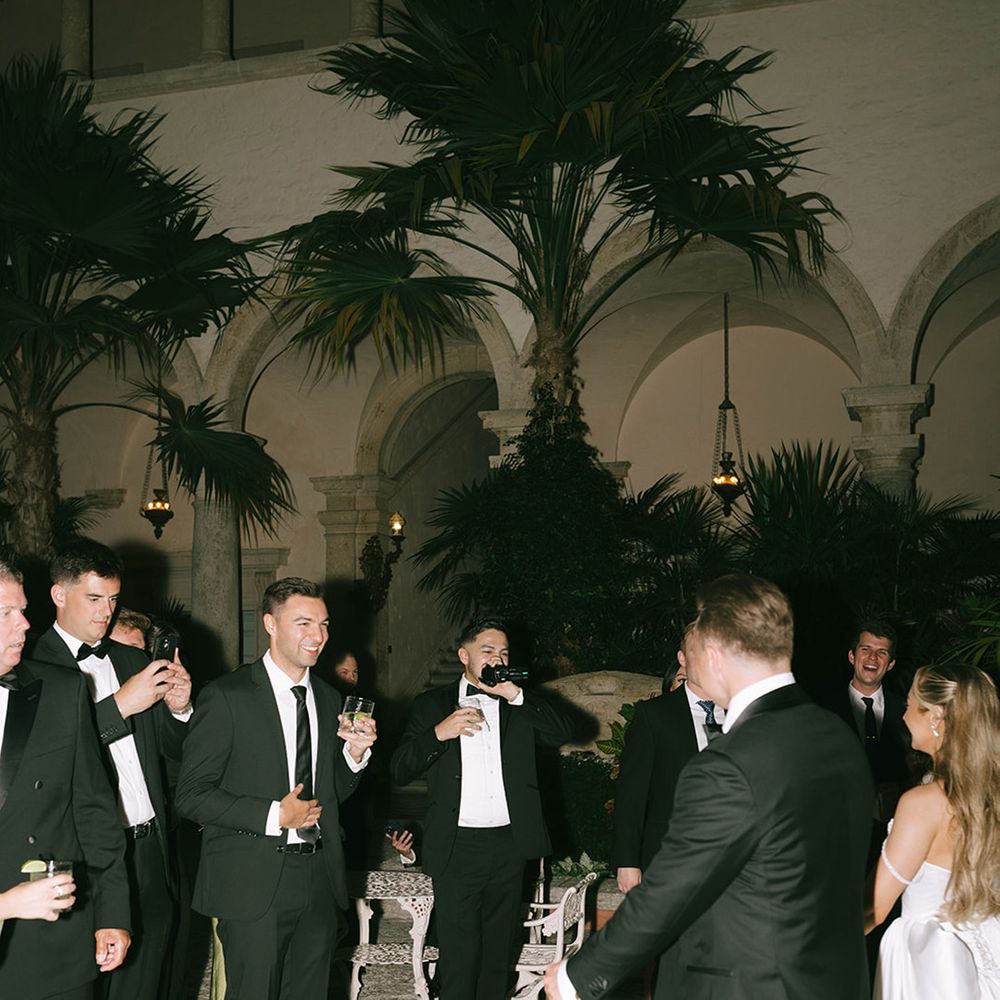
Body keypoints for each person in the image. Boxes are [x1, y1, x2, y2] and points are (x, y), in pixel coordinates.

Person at [544, 574, 873, 1000]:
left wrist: (578, 976)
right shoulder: (836, 734)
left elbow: (670, 890)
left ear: (714, 655)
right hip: (832, 981)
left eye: (692, 645)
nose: (684, 661)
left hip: (747, 985)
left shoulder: (730, 762)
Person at [175, 577, 376, 1000]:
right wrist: (274, 816)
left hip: (319, 879)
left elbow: (331, 792)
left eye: (323, 625)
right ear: (270, 623)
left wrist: (354, 756)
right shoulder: (227, 695)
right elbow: (191, 795)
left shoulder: (326, 697)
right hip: (252, 883)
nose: (317, 636)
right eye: (303, 623)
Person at [29, 539, 192, 1000]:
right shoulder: (29, 666)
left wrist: (180, 710)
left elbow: (172, 754)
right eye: (94, 598)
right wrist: (120, 706)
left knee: (144, 985)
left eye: (114, 599)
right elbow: (50, 758)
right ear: (60, 595)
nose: (107, 612)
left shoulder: (130, 660)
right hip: (86, 861)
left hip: (149, 850)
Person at [392, 616, 574, 1000]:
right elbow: (399, 768)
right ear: (464, 655)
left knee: (498, 957)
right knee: (460, 959)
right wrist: (440, 733)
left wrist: (516, 695)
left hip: (509, 844)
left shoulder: (519, 702)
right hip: (457, 846)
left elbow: (565, 731)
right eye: (487, 650)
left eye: (503, 652)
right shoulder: (432, 705)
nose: (497, 658)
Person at [0, 559, 132, 999]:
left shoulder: (60, 690)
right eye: (6, 613)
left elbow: (92, 810)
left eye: (22, 610)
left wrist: (112, 913)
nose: (24, 624)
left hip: (50, 941)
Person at [866, 663, 1000, 999]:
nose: (904, 712)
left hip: (933, 969)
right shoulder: (991, 798)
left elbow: (874, 908)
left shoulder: (923, 804)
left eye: (910, 703)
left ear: (936, 716)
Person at [614, 636, 724, 896]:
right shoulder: (654, 716)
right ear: (682, 658)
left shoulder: (742, 710)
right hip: (672, 857)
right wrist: (627, 862)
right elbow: (631, 794)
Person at [826, 620, 910, 826]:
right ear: (852, 656)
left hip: (893, 827)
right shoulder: (823, 710)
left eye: (882, 652)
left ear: (890, 664)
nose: (873, 657)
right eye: (866, 649)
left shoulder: (907, 712)